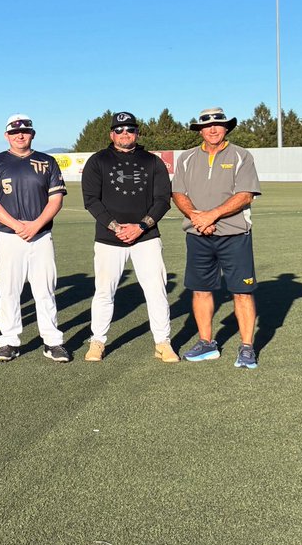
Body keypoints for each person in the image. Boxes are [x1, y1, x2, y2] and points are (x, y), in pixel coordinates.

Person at [81, 111, 179, 363]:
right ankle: (97, 342)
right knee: (104, 292)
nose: (125, 134)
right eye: (120, 130)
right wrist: (115, 227)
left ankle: (162, 342)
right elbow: (91, 200)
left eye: (130, 130)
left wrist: (141, 226)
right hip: (108, 238)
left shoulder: (152, 162)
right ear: (111, 133)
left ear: (137, 132)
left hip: (146, 237)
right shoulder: (97, 161)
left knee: (156, 290)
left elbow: (162, 200)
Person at [171, 107, 262, 368]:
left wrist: (210, 216)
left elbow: (245, 195)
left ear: (226, 128)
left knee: (242, 292)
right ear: (200, 130)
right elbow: (178, 193)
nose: (212, 129)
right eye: (207, 126)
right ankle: (207, 343)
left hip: (234, 235)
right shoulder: (187, 158)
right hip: (198, 235)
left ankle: (246, 347)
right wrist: (198, 219)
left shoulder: (241, 155)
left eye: (218, 125)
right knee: (201, 290)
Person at [0, 114, 70, 363]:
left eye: (25, 131)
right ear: (6, 135)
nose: (20, 135)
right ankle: (9, 341)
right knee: (9, 290)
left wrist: (36, 225)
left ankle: (52, 341)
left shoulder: (47, 161)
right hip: (9, 236)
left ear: (33, 134)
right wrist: (18, 226)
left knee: (45, 289)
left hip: (40, 235)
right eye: (14, 132)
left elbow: (56, 199)